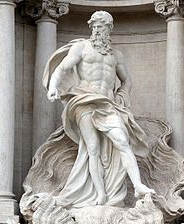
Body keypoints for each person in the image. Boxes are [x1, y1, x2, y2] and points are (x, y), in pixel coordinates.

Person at [43, 11, 154, 208]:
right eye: (94, 26)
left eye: (101, 26)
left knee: (122, 141)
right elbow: (62, 68)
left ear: (109, 29)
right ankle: (100, 194)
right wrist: (53, 86)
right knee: (92, 148)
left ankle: (138, 186)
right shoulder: (81, 47)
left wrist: (122, 95)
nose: (97, 30)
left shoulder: (116, 55)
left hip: (108, 104)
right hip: (84, 100)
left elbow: (126, 80)